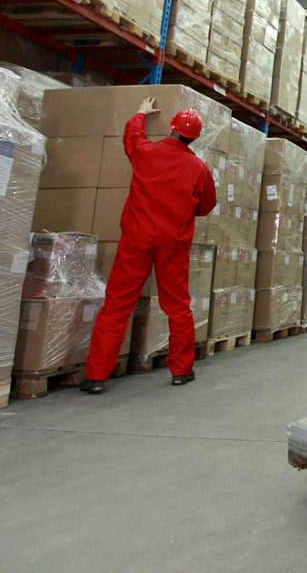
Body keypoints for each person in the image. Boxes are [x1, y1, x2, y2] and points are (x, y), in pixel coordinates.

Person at [81, 98, 217, 394]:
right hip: (173, 244)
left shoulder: (146, 153)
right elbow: (207, 205)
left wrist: (140, 114)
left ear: (171, 129)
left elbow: (132, 139)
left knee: (117, 304)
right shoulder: (198, 168)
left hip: (136, 240)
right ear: (194, 137)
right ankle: (182, 370)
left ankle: (96, 376)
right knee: (178, 306)